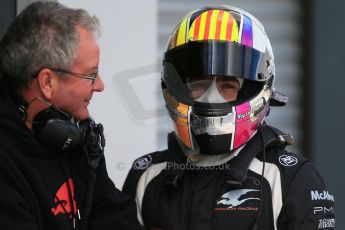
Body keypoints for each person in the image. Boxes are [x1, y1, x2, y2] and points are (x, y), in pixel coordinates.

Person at [123, 5, 335, 230]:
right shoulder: (146, 177)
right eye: (199, 83)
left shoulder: (289, 179)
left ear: (254, 88)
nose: (211, 97)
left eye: (227, 85)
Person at [0, 1, 144, 230]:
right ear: (48, 82)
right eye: (91, 75)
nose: (100, 86)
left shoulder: (77, 135)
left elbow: (114, 216)